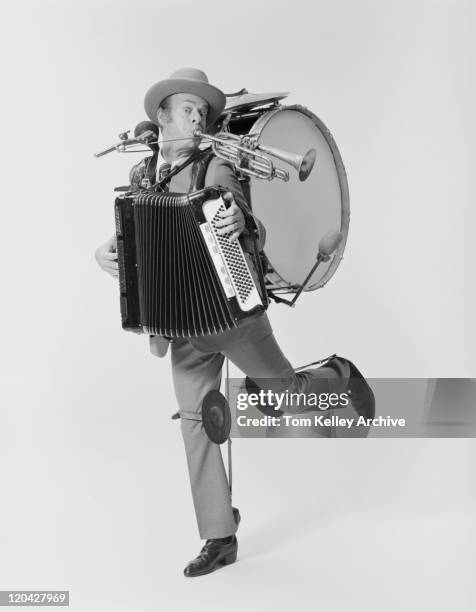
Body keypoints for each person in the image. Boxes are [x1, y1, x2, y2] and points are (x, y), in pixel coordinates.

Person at [95, 68, 375, 577]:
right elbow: (130, 238)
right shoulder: (141, 177)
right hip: (180, 324)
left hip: (231, 314)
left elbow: (247, 216)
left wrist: (243, 222)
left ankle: (337, 374)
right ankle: (220, 536)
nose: (197, 117)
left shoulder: (216, 167)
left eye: (203, 111)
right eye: (187, 109)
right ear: (162, 117)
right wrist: (105, 254)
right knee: (197, 426)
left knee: (287, 395)